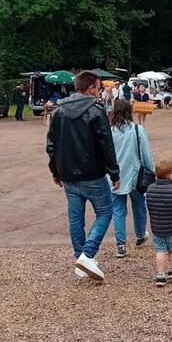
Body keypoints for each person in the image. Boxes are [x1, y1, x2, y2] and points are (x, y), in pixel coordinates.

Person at [46, 70, 120, 281]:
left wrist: (55, 171)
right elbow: (106, 144)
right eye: (98, 88)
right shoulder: (96, 111)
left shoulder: (58, 111)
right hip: (92, 173)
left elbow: (51, 145)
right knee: (105, 212)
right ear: (91, 88)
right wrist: (114, 172)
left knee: (75, 217)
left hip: (68, 174)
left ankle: (80, 258)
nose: (99, 92)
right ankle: (87, 254)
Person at [109, 100, 153, 257]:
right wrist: (151, 171)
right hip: (136, 174)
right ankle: (140, 235)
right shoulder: (137, 129)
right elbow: (146, 153)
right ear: (130, 111)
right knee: (139, 206)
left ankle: (121, 244)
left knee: (118, 210)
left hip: (115, 177)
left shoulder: (110, 131)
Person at [145, 159, 172, 286]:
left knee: (160, 250)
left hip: (157, 226)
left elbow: (146, 202)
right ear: (170, 175)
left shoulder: (150, 188)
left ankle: (160, 276)